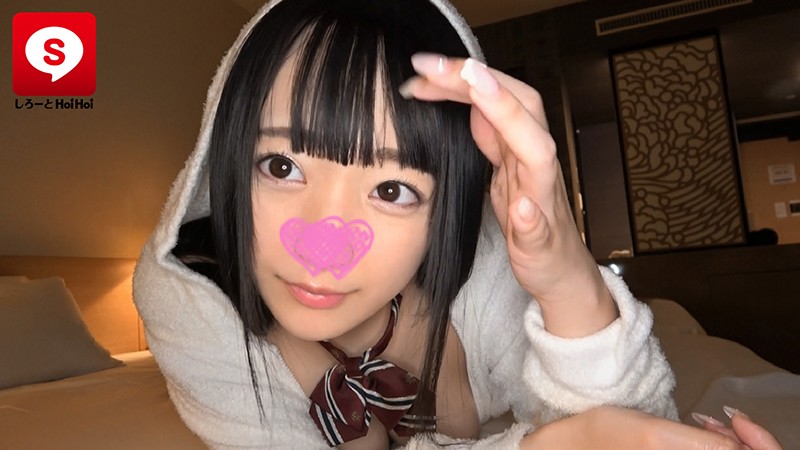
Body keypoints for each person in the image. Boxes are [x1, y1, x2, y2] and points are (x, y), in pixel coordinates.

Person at [133, 0, 783, 448]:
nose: (321, 247)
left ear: (445, 205)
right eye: (281, 166)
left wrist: (565, 276)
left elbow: (629, 433)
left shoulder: (482, 270)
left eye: (391, 189)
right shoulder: (188, 302)